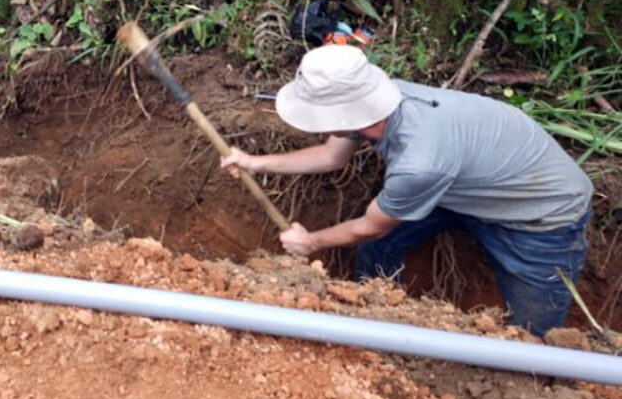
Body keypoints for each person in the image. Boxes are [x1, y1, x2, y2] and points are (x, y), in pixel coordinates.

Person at [220, 45, 593, 336]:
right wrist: (255, 162)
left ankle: (529, 387)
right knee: (379, 250)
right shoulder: (379, 106)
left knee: (532, 334)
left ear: (346, 112)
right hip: (466, 182)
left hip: (540, 213)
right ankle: (373, 313)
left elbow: (371, 225)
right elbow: (332, 156)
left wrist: (311, 242)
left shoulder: (420, 162)